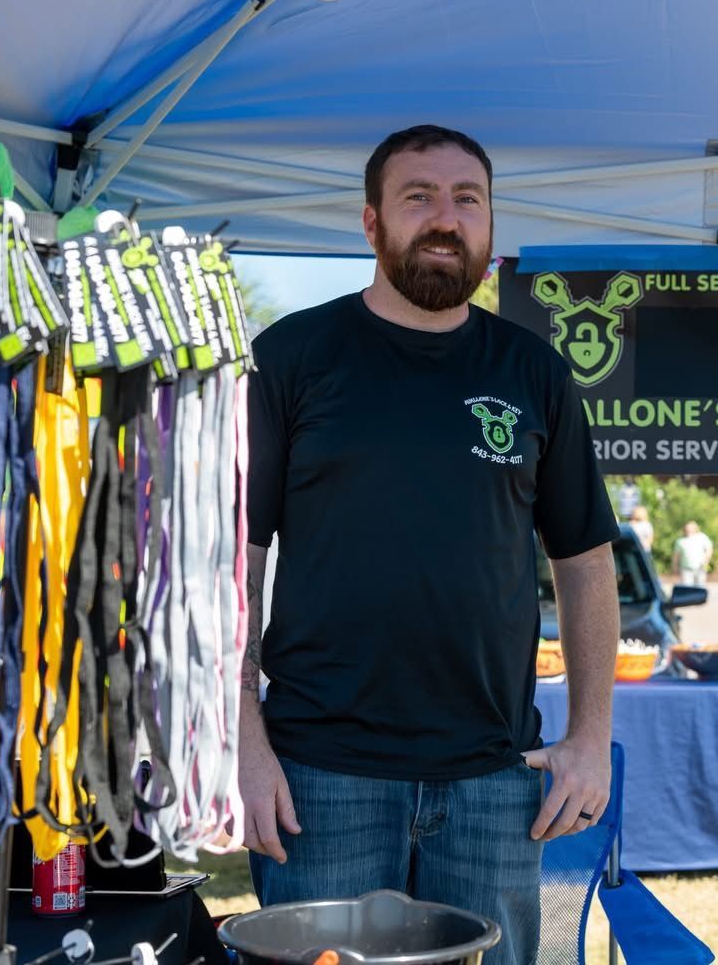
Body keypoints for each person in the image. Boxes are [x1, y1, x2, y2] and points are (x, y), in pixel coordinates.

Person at [240, 125, 620, 964]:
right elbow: (236, 562)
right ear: (371, 223)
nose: (445, 219)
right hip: (318, 774)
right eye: (419, 197)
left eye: (467, 200)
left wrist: (590, 738)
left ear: (490, 226)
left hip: (492, 776)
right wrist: (244, 742)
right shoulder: (291, 357)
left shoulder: (534, 371)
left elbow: (586, 563)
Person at [671, 521, 714, 586]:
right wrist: (675, 566)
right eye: (687, 528)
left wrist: (706, 561)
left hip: (700, 568)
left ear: (695, 528)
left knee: (700, 587)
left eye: (691, 528)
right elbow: (676, 555)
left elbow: (709, 549)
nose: (689, 530)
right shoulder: (680, 541)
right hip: (686, 569)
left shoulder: (702, 537)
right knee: (687, 588)